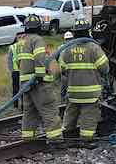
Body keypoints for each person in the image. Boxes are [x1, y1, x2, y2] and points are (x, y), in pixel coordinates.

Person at [14, 14, 63, 147]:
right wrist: (40, 77)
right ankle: (56, 140)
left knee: (30, 111)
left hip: (25, 83)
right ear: (39, 27)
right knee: (49, 109)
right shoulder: (37, 40)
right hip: (38, 82)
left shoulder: (20, 42)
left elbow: (17, 62)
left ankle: (28, 138)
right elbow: (40, 59)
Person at [58, 31, 109, 148]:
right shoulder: (94, 47)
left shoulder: (67, 49)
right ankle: (86, 140)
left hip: (73, 91)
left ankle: (67, 137)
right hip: (91, 92)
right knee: (89, 115)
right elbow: (105, 68)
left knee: (70, 113)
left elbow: (63, 69)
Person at [8, 33, 23, 110]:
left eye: (22, 37)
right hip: (15, 71)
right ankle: (15, 104)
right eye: (19, 37)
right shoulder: (12, 47)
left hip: (24, 70)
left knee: (24, 88)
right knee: (15, 88)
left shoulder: (26, 46)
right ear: (16, 38)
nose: (20, 38)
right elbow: (9, 59)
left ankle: (24, 104)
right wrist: (12, 70)